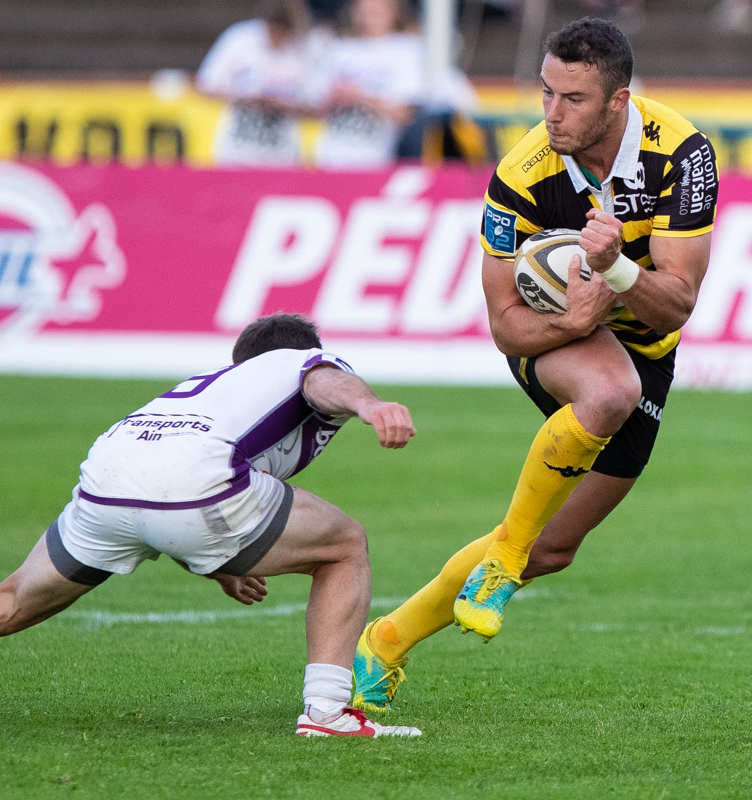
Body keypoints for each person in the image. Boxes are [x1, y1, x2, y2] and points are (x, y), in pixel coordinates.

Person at [0, 313, 422, 738]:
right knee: (345, 545)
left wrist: (219, 567)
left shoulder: (203, 388)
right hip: (191, 481)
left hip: (109, 474)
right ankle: (326, 712)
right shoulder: (298, 360)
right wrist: (370, 404)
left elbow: (163, 485)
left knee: (10, 600)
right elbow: (322, 380)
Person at [351, 17, 718, 712]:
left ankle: (386, 642)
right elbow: (504, 326)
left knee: (551, 549)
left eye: (572, 99)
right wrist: (574, 319)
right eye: (546, 92)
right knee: (610, 390)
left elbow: (674, 306)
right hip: (557, 340)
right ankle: (501, 564)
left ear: (617, 101)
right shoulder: (521, 175)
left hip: (649, 346)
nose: (551, 113)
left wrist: (610, 273)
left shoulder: (684, 155)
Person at [194, 0, 323, 167]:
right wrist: (245, 99)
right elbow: (206, 85)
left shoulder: (304, 48)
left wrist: (286, 106)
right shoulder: (239, 39)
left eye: (282, 35)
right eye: (272, 33)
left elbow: (318, 108)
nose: (275, 41)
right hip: (236, 151)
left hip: (283, 155)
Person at [304, 0, 426, 169]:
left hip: (379, 160)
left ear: (392, 12)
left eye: (375, 10)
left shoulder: (407, 50)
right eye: (363, 10)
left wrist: (359, 97)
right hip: (330, 157)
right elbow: (311, 106)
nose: (368, 17)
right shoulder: (338, 49)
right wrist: (333, 101)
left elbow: (406, 113)